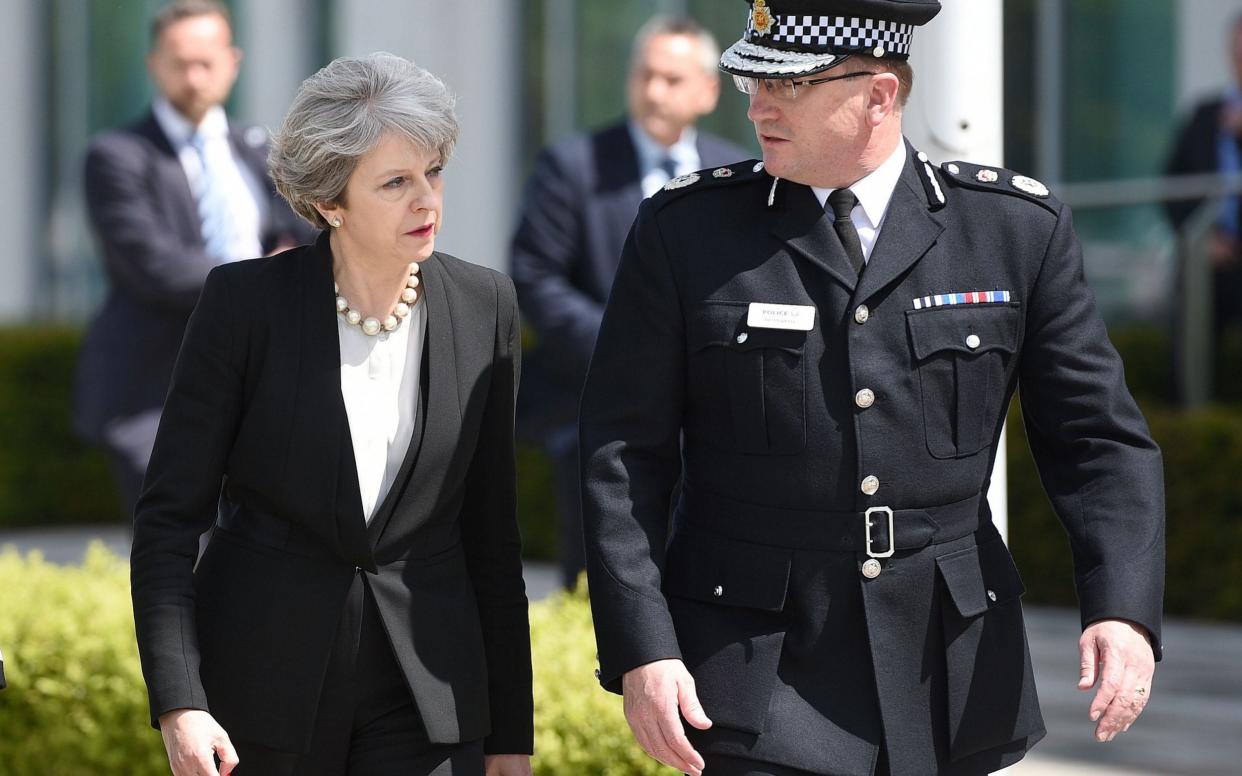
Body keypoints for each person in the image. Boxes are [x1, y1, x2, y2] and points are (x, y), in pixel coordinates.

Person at [580, 1, 1165, 774]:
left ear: (879, 96)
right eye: (754, 83)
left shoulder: (1012, 229)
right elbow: (624, 457)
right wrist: (643, 650)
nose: (756, 106)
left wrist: (1122, 608)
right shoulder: (687, 232)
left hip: (948, 667)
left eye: (787, 88)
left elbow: (1098, 441)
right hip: (754, 674)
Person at [130, 53, 533, 776]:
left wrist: (510, 735)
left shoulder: (486, 305)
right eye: (396, 183)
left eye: (433, 173)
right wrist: (179, 701)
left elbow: (492, 540)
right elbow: (168, 521)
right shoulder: (244, 305)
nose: (428, 201)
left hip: (429, 695)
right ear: (329, 203)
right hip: (263, 688)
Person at [510, 15, 748, 589]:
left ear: (708, 91)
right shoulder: (575, 166)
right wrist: (626, 351)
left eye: (671, 78)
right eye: (644, 75)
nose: (653, 91)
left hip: (713, 411)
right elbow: (533, 274)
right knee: (605, 582)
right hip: (592, 403)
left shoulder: (735, 171)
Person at [74, 0, 310, 517]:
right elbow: (153, 264)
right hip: (155, 395)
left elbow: (304, 234)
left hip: (256, 393)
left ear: (233, 63)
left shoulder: (260, 150)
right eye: (180, 62)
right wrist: (265, 275)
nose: (194, 76)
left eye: (207, 61)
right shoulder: (117, 155)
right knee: (179, 565)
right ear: (153, 65)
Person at [1165, 12, 1242, 386]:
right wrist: (1203, 240)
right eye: (1236, 50)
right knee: (1192, 352)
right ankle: (1189, 425)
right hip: (1209, 258)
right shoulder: (1205, 114)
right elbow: (1172, 186)